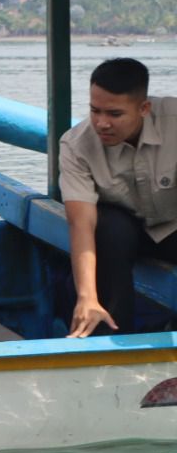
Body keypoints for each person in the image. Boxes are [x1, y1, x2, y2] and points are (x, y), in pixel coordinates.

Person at [59, 58, 177, 337]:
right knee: (108, 227)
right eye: (94, 110)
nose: (102, 123)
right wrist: (86, 296)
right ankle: (110, 338)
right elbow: (81, 224)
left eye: (114, 114)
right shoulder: (76, 146)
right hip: (125, 232)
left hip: (173, 226)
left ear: (144, 108)